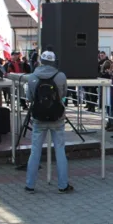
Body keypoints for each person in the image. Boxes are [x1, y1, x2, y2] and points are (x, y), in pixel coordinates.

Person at [24, 51, 73, 194]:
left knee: (35, 151)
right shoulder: (61, 76)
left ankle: (30, 184)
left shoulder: (32, 77)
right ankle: (63, 185)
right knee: (60, 150)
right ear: (53, 62)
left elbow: (29, 97)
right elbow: (63, 95)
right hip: (57, 118)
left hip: (39, 118)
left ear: (41, 61)